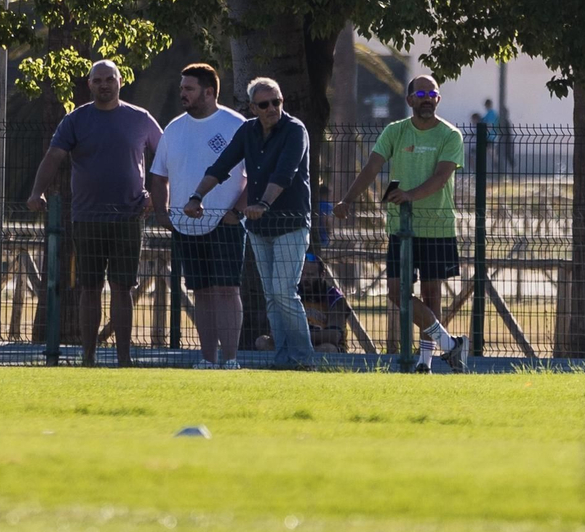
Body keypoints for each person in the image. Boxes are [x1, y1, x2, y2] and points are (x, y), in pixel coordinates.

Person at [26, 59, 163, 368]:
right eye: (98, 80)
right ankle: (88, 356)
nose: (104, 85)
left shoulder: (140, 119)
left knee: (122, 286)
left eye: (109, 79)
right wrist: (37, 192)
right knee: (89, 287)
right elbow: (54, 156)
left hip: (129, 216)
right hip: (87, 216)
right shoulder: (75, 120)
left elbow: (167, 156)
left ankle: (124, 357)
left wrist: (157, 195)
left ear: (120, 82)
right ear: (89, 84)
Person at [337, 75, 468, 373]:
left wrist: (409, 195)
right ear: (409, 100)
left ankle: (425, 363)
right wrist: (347, 200)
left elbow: (441, 177)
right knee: (396, 292)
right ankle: (450, 345)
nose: (427, 98)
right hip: (400, 228)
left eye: (432, 93)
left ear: (438, 99)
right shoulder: (395, 132)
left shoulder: (450, 135)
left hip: (436, 226)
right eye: (421, 93)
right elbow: (372, 167)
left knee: (431, 294)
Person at [184, 77, 314, 370]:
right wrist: (196, 196)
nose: (272, 109)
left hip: (290, 223)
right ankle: (284, 360)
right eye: (265, 104)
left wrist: (264, 204)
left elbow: (285, 173)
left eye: (277, 102)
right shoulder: (248, 131)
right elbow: (221, 165)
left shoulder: (295, 131)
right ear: (253, 107)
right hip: (258, 228)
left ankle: (304, 359)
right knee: (272, 296)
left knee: (284, 292)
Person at [148, 63, 248, 369]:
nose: (182, 94)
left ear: (209, 91)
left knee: (227, 290)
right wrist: (163, 212)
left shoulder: (236, 125)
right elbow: (158, 176)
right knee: (201, 291)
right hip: (185, 225)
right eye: (181, 88)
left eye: (188, 89)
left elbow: (255, 175)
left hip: (225, 223)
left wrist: (236, 212)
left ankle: (230, 359)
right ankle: (207, 358)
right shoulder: (174, 128)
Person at [480, 98, 500, 168]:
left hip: (491, 136)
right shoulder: (489, 113)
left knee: (492, 152)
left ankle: (497, 165)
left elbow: (489, 124)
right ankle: (495, 165)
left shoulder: (491, 113)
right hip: (490, 136)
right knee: (490, 152)